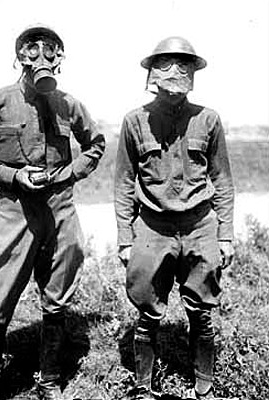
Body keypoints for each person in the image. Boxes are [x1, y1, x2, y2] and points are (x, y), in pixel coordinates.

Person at [0, 24, 105, 400]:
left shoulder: (68, 103)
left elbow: (96, 144)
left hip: (59, 206)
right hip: (15, 207)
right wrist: (13, 175)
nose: (42, 57)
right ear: (19, 57)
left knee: (58, 292)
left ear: (60, 59)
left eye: (51, 51)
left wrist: (67, 174)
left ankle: (50, 379)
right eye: (32, 50)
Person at [114, 36, 235, 400]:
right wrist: (125, 238)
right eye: (166, 64)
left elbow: (223, 180)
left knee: (201, 313)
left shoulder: (208, 120)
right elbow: (122, 183)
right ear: (152, 71)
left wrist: (225, 235)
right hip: (153, 228)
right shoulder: (135, 121)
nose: (175, 73)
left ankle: (205, 387)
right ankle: (142, 388)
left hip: (200, 226)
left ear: (193, 73)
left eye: (183, 65)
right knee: (148, 312)